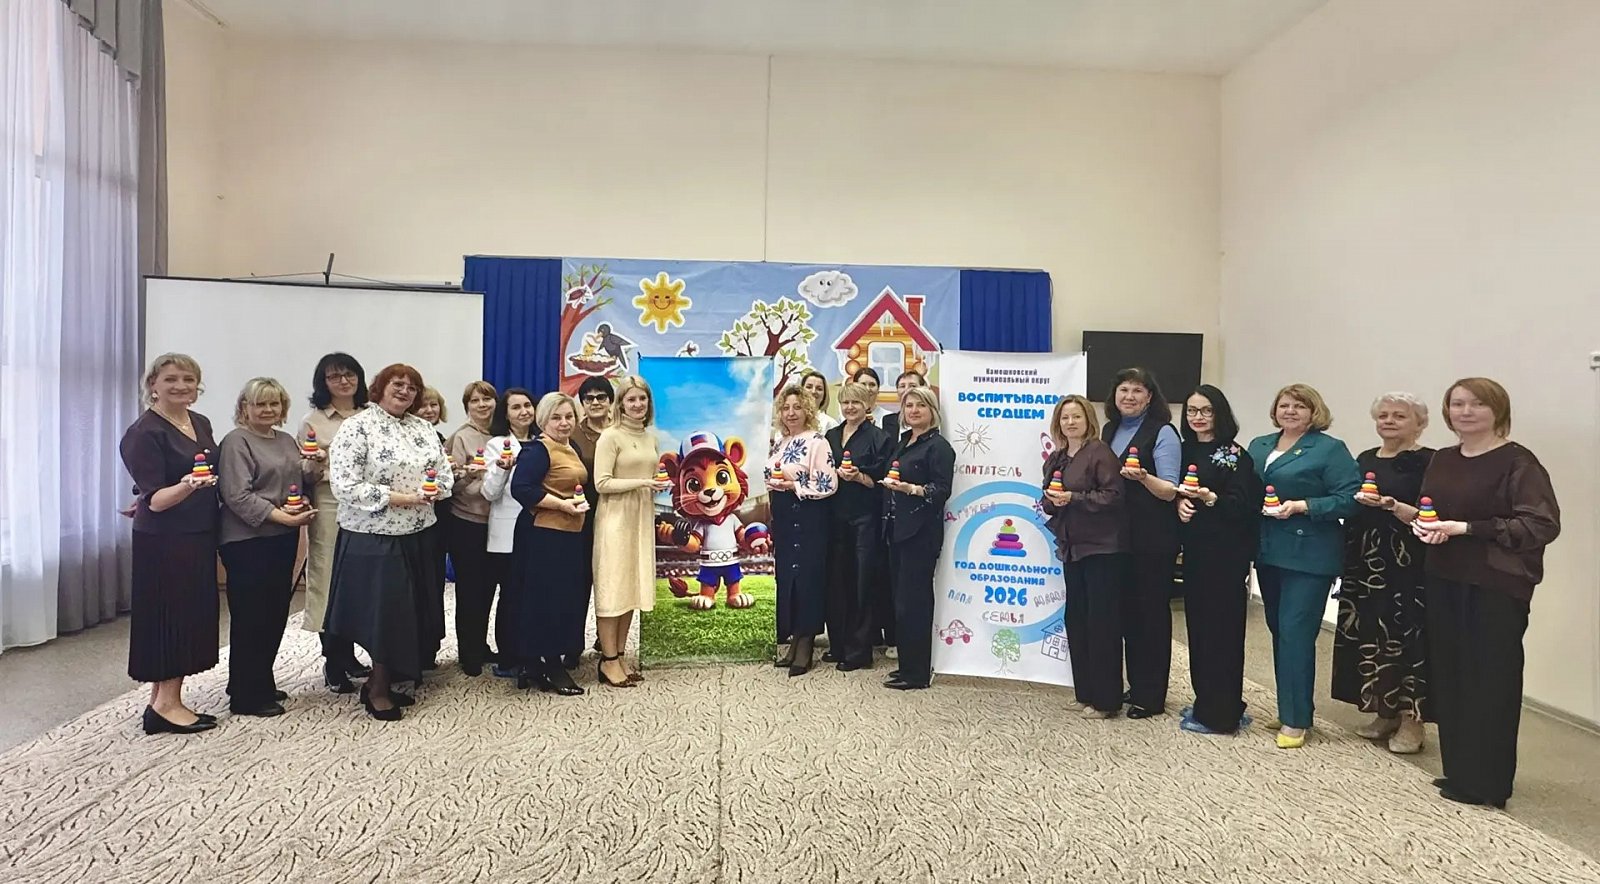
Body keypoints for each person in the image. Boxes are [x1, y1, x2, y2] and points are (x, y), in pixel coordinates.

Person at [1414, 378, 1559, 808]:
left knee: (1490, 681)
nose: (1465, 411)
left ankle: (1489, 783)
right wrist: (1425, 525)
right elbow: (1433, 509)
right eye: (1457, 403)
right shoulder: (1443, 458)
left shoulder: (1518, 462)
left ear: (1498, 410)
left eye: (1477, 404)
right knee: (1452, 674)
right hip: (1444, 575)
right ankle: (1460, 771)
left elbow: (1540, 525)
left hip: (1496, 583)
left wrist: (1467, 529)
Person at [324, 363, 454, 721]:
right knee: (384, 615)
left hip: (420, 532)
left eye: (412, 387)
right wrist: (402, 498)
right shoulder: (357, 427)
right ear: (379, 387)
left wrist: (434, 490)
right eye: (398, 384)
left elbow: (444, 475)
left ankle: (384, 680)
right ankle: (378, 688)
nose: (405, 391)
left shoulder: (423, 427)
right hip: (374, 537)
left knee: (411, 612)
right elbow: (345, 485)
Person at [1247, 383, 1360, 749]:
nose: (1290, 411)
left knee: (1296, 632)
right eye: (1284, 405)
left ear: (1315, 412)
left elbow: (1350, 498)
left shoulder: (1329, 449)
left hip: (1309, 553)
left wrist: (1304, 506)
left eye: (1299, 406)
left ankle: (1296, 721)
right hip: (1268, 550)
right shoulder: (1260, 445)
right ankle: (1291, 708)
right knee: (1279, 630)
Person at [120, 353, 221, 735]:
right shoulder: (143, 432)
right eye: (171, 379)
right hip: (164, 541)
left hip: (198, 533)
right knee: (171, 619)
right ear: (153, 385)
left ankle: (161, 701)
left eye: (188, 379)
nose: (181, 386)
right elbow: (158, 500)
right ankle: (166, 705)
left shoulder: (200, 422)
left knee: (189, 616)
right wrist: (187, 485)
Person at [1335, 392, 1435, 754]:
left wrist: (1397, 507)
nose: (1389, 421)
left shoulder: (1429, 461)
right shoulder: (1365, 458)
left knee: (1407, 638)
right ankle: (1384, 710)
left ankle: (1412, 720)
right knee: (1372, 634)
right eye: (1384, 415)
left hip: (1408, 563)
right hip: (1366, 561)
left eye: (1399, 416)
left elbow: (1437, 512)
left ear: (1420, 423)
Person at [217, 378, 318, 717]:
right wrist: (283, 517)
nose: (268, 409)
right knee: (251, 617)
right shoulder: (236, 441)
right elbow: (236, 495)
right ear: (244, 407)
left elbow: (297, 484)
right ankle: (245, 695)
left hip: (281, 536)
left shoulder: (286, 440)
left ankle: (258, 679)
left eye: (274, 403)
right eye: (260, 403)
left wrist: (303, 498)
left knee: (274, 613)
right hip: (247, 540)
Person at [1172, 386, 1260, 735]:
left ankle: (1221, 715)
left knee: (1222, 632)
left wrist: (1211, 499)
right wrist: (1178, 503)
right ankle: (1209, 701)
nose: (1198, 417)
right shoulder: (1183, 450)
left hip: (1226, 553)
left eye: (1206, 410)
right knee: (1200, 630)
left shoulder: (1234, 454)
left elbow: (1244, 505)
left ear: (1219, 413)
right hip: (1195, 552)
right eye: (1192, 410)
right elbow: (1170, 489)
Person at [1039, 395, 1126, 718]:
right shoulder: (1058, 457)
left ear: (1088, 419)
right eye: (1065, 418)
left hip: (1101, 547)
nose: (1070, 422)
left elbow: (1113, 495)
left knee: (1102, 622)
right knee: (1076, 619)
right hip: (1071, 547)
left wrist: (1073, 498)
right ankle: (1085, 692)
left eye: (1076, 416)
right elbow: (1047, 499)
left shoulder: (1099, 452)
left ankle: (1107, 700)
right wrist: (1053, 501)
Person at [1103, 367, 1182, 719]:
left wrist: (1144, 477)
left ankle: (1151, 695)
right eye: (1124, 390)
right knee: (1126, 615)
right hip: (1116, 537)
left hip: (1152, 539)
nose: (1129, 396)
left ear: (1150, 397)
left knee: (1149, 617)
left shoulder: (1163, 432)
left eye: (1137, 390)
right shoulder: (1109, 430)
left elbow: (1169, 490)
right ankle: (1135, 685)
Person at [506, 393, 593, 695]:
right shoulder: (537, 450)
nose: (564, 423)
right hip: (543, 535)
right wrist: (561, 505)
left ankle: (535, 662)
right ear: (543, 420)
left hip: (568, 534)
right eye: (556, 417)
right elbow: (521, 488)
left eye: (569, 416)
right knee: (545, 600)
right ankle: (550, 664)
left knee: (562, 598)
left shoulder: (571, 447)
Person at [297, 353, 371, 693]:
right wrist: (315, 463)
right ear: (323, 383)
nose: (344, 381)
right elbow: (306, 475)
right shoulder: (312, 421)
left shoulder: (372, 415)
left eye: (349, 374)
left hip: (369, 505)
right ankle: (334, 660)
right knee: (328, 578)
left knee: (362, 579)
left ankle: (352, 654)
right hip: (330, 503)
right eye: (334, 376)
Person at [591, 377, 669, 688]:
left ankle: (620, 655)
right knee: (612, 590)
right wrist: (643, 483)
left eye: (642, 399)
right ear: (620, 404)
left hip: (641, 518)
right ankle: (608, 660)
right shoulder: (610, 437)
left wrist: (657, 483)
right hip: (615, 520)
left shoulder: (651, 438)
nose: (638, 405)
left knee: (630, 590)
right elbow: (601, 483)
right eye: (631, 399)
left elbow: (652, 474)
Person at [880, 385, 955, 690]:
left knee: (915, 604)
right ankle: (906, 666)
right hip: (897, 531)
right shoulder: (904, 442)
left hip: (920, 534)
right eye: (909, 405)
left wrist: (911, 489)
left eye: (920, 406)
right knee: (901, 603)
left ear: (932, 411)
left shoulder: (938, 447)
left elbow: (941, 490)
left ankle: (917, 673)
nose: (913, 411)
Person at [768, 384, 840, 676]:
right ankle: (795, 639)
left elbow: (829, 483)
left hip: (807, 515)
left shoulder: (817, 442)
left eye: (797, 407)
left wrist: (793, 485)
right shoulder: (781, 442)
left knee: (808, 579)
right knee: (789, 580)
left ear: (808, 410)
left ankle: (806, 644)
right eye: (786, 408)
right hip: (785, 517)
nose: (791, 413)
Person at [824, 382, 890, 671]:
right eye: (845, 402)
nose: (850, 407)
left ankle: (859, 652)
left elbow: (884, 480)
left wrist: (860, 477)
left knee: (862, 583)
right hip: (834, 518)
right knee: (837, 583)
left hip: (865, 519)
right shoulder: (831, 436)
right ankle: (838, 645)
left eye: (856, 402)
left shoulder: (879, 438)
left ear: (868, 406)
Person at [481, 389, 538, 679]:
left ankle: (533, 653)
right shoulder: (496, 445)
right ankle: (508, 658)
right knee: (511, 598)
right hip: (508, 532)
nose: (524, 411)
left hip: (539, 529)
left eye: (528, 405)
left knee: (534, 596)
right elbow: (489, 492)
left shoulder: (543, 442)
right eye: (516, 407)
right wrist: (503, 470)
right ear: (505, 414)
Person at [445, 381, 498, 675]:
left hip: (495, 523)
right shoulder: (461, 437)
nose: (482, 405)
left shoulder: (500, 434)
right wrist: (470, 475)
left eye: (486, 399)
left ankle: (481, 644)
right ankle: (468, 652)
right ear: (467, 406)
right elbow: (449, 485)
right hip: (467, 522)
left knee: (488, 588)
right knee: (469, 590)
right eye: (475, 400)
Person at [567, 375, 616, 670]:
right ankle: (571, 644)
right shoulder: (572, 433)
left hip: (616, 516)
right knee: (579, 582)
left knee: (612, 581)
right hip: (582, 517)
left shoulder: (622, 430)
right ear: (582, 403)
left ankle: (607, 641)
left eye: (601, 397)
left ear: (611, 401)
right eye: (589, 398)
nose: (595, 402)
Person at [414, 385, 450, 671]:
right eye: (423, 405)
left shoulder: (440, 439)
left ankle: (429, 649)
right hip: (414, 522)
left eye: (433, 405)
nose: (429, 410)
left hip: (439, 522)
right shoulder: (409, 441)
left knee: (433, 585)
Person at [879, 369, 927, 442]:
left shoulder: (927, 420)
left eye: (912, 385)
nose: (907, 390)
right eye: (902, 386)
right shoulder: (887, 421)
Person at [800, 368, 839, 432]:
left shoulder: (830, 424)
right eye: (809, 387)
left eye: (819, 389)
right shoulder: (790, 418)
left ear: (824, 394)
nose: (813, 391)